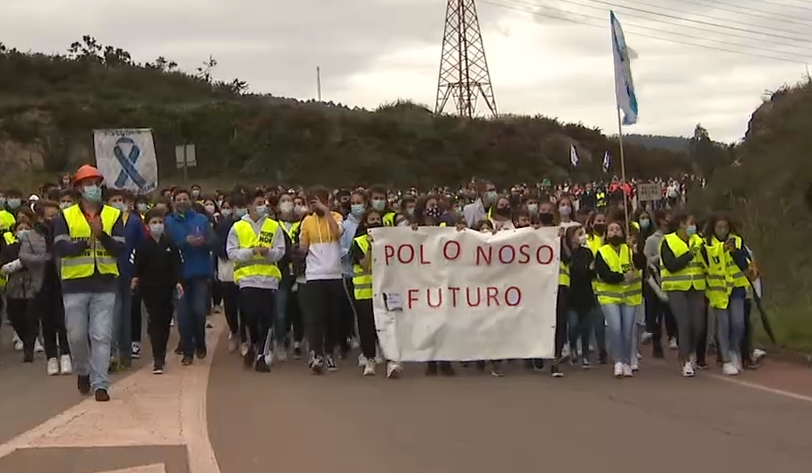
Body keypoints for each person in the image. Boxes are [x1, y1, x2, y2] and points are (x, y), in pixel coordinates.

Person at [53, 164, 125, 402]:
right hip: (75, 284)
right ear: (79, 188)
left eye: (96, 183)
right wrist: (85, 243)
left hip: (105, 284)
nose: (93, 188)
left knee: (101, 335)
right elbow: (60, 247)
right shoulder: (66, 216)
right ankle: (83, 371)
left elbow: (120, 249)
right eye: (88, 184)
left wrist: (101, 234)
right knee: (76, 336)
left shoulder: (113, 215)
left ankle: (100, 384)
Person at [226, 190, 287, 372]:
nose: (262, 207)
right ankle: (254, 343)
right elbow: (231, 252)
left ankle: (261, 355)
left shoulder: (273, 226)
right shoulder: (238, 227)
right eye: (258, 203)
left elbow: (280, 251)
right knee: (251, 315)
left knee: (267, 317)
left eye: (263, 203)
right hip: (247, 278)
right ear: (249, 206)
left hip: (268, 279)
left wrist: (269, 253)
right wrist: (251, 251)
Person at [297, 186, 344, 374]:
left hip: (334, 274)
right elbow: (303, 247)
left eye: (320, 201)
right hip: (315, 274)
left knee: (332, 317)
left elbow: (337, 233)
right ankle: (316, 354)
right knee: (315, 317)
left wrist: (326, 212)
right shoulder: (307, 221)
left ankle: (329, 353)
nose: (316, 205)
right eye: (313, 202)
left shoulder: (337, 217)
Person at [131, 209, 184, 374]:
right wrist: (135, 278)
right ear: (147, 226)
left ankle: (162, 351)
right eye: (154, 222)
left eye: (160, 222)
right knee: (154, 320)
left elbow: (177, 264)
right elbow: (137, 265)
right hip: (149, 288)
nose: (158, 225)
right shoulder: (142, 245)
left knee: (165, 321)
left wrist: (178, 281)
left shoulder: (170, 244)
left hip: (167, 288)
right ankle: (157, 358)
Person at [165, 188, 214, 366]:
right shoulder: (169, 222)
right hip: (179, 274)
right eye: (178, 199)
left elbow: (213, 241)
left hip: (199, 272)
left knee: (199, 311)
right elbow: (167, 246)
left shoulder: (201, 219)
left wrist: (204, 242)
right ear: (173, 202)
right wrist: (185, 242)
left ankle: (200, 341)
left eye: (185, 199)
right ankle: (187, 349)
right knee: (183, 315)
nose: (182, 202)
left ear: (191, 201)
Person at [594, 221, 646, 378]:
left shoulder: (629, 250)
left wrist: (635, 250)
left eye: (617, 229)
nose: (614, 232)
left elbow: (641, 264)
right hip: (609, 297)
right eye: (611, 229)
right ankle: (618, 361)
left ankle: (627, 362)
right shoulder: (602, 252)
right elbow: (604, 274)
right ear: (607, 234)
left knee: (627, 331)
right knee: (615, 328)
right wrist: (622, 277)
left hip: (629, 296)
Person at [660, 212, 707, 377]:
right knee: (684, 323)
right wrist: (689, 255)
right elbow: (671, 265)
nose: (693, 227)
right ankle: (685, 359)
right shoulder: (668, 241)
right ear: (681, 224)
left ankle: (691, 350)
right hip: (676, 288)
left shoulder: (699, 241)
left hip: (696, 287)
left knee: (698, 325)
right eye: (690, 223)